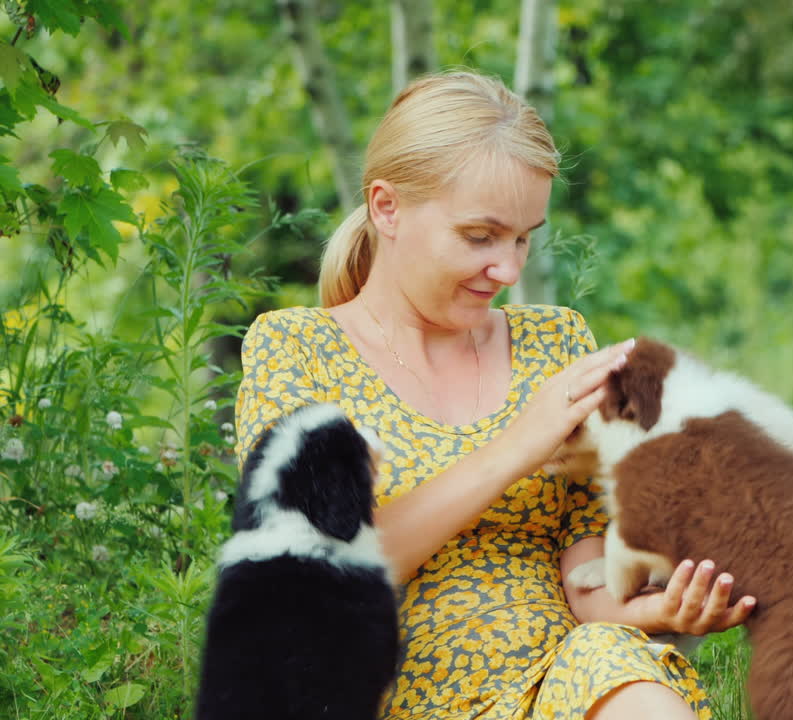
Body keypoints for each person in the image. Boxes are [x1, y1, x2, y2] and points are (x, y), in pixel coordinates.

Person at [233, 70, 754, 720]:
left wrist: (658, 606)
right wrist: (514, 447)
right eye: (480, 237)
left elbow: (584, 579)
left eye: (522, 238)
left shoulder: (554, 341)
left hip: (555, 684)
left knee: (614, 661)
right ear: (387, 207)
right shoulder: (295, 350)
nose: (508, 271)